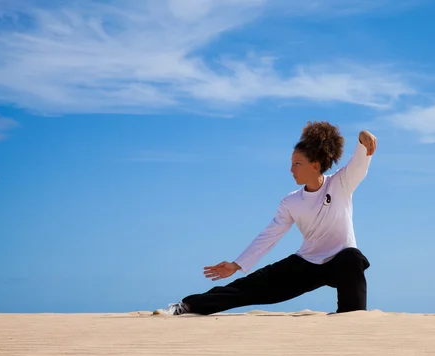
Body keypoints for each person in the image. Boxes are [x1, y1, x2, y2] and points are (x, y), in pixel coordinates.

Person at [154, 121, 376, 316]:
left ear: (315, 165)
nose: (291, 170)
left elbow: (360, 162)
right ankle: (188, 306)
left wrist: (362, 137)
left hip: (341, 263)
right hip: (308, 263)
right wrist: (236, 265)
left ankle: (352, 320)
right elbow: (269, 236)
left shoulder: (340, 183)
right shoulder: (291, 202)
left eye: (297, 164)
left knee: (352, 257)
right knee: (247, 287)